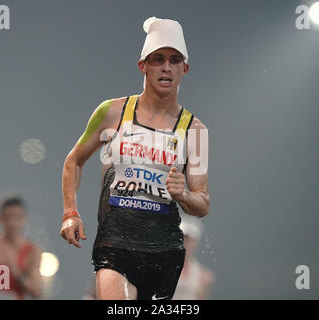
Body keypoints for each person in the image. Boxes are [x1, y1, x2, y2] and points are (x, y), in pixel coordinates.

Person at [60, 16, 210, 300]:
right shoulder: (112, 112)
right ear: (143, 65)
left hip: (164, 252)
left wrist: (184, 195)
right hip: (114, 244)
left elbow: (202, 203)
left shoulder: (195, 131)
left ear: (184, 69)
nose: (166, 66)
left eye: (174, 60)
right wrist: (70, 213)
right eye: (158, 59)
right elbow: (74, 161)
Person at [173, 215, 215, 300]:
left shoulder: (204, 277)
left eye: (187, 238)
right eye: (181, 237)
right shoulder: (159, 270)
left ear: (195, 242)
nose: (183, 241)